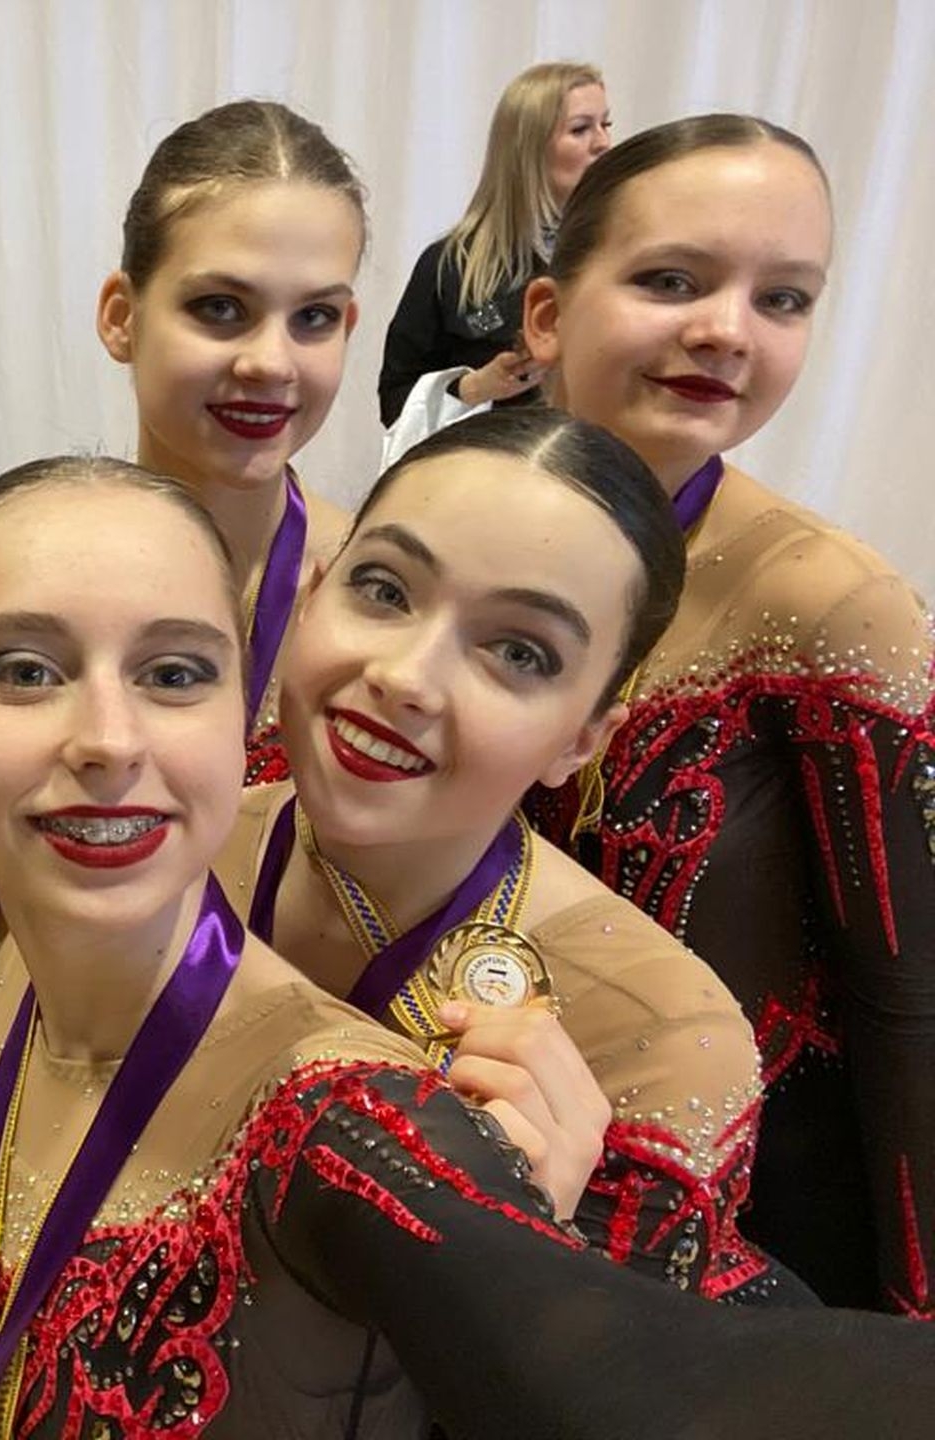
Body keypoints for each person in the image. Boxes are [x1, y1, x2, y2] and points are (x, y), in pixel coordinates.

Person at [0, 455, 935, 1438]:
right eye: (24, 670)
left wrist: (522, 1244)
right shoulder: (39, 928)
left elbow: (646, 1378)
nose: (108, 739)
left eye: (173, 673)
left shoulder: (349, 1119)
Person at [508, 114, 935, 1318]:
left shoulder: (830, 606)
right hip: (481, 1187)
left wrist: (912, 1336)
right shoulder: (457, 531)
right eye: (671, 280)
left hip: (738, 1246)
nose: (727, 331)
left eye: (782, 299)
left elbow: (909, 1003)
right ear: (547, 315)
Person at [214, 408, 780, 1298]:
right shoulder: (176, 845)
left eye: (519, 651)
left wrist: (528, 1269)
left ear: (583, 738)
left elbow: (630, 1372)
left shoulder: (661, 1037)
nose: (406, 677)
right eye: (384, 590)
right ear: (313, 592)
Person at [96, 100, 365, 785]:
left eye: (314, 316)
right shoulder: (37, 575)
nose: (271, 363)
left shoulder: (380, 600)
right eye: (221, 308)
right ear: (122, 316)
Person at [377, 62, 611, 449]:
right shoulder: (452, 265)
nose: (603, 142)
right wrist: (475, 388)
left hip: (593, 469)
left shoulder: (617, 258)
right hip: (488, 469)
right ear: (529, 148)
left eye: (606, 124)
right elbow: (395, 402)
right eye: (581, 129)